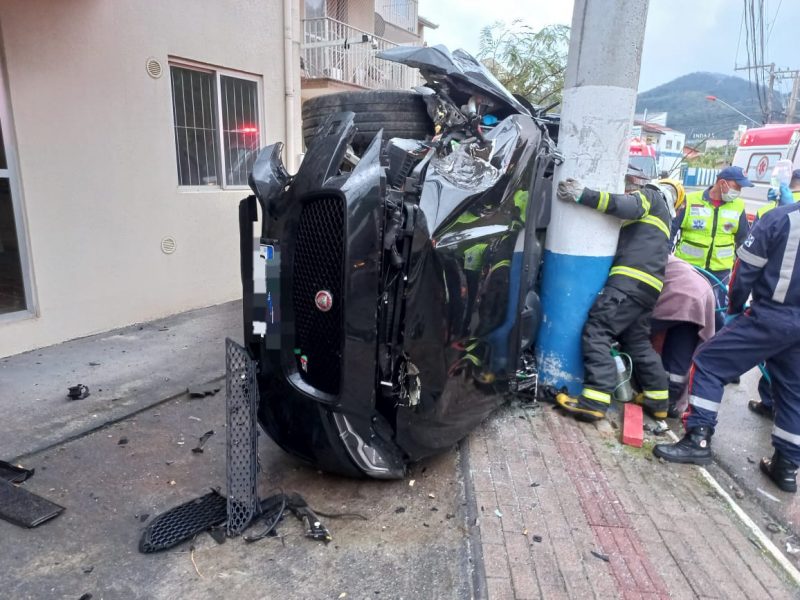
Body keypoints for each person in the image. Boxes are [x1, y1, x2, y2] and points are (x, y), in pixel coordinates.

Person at [653, 201, 800, 493]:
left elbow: (744, 270)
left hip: (771, 317)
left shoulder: (781, 218)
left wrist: (734, 308)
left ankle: (698, 438)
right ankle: (786, 468)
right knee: (793, 392)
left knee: (708, 363)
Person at [554, 166, 671, 421]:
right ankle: (658, 400)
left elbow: (626, 206)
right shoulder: (666, 223)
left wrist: (583, 194)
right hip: (649, 290)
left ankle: (594, 400)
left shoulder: (652, 197)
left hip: (628, 283)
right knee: (637, 342)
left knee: (598, 330)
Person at [671, 167, 752, 332]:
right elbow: (670, 231)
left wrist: (743, 271)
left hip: (719, 273)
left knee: (716, 316)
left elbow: (743, 240)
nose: (738, 191)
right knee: (683, 311)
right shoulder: (690, 200)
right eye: (736, 186)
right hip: (689, 269)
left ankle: (710, 344)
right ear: (722, 183)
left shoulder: (738, 206)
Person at [748, 169, 800, 418]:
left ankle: (771, 403)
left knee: (709, 362)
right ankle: (777, 406)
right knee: (789, 373)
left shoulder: (777, 209)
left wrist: (737, 305)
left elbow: (750, 262)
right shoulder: (777, 206)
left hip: (778, 307)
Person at [650, 255, 716, 417]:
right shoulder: (659, 254)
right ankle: (670, 401)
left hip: (681, 294)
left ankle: (658, 395)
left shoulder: (636, 256)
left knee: (637, 338)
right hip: (702, 293)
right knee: (680, 355)